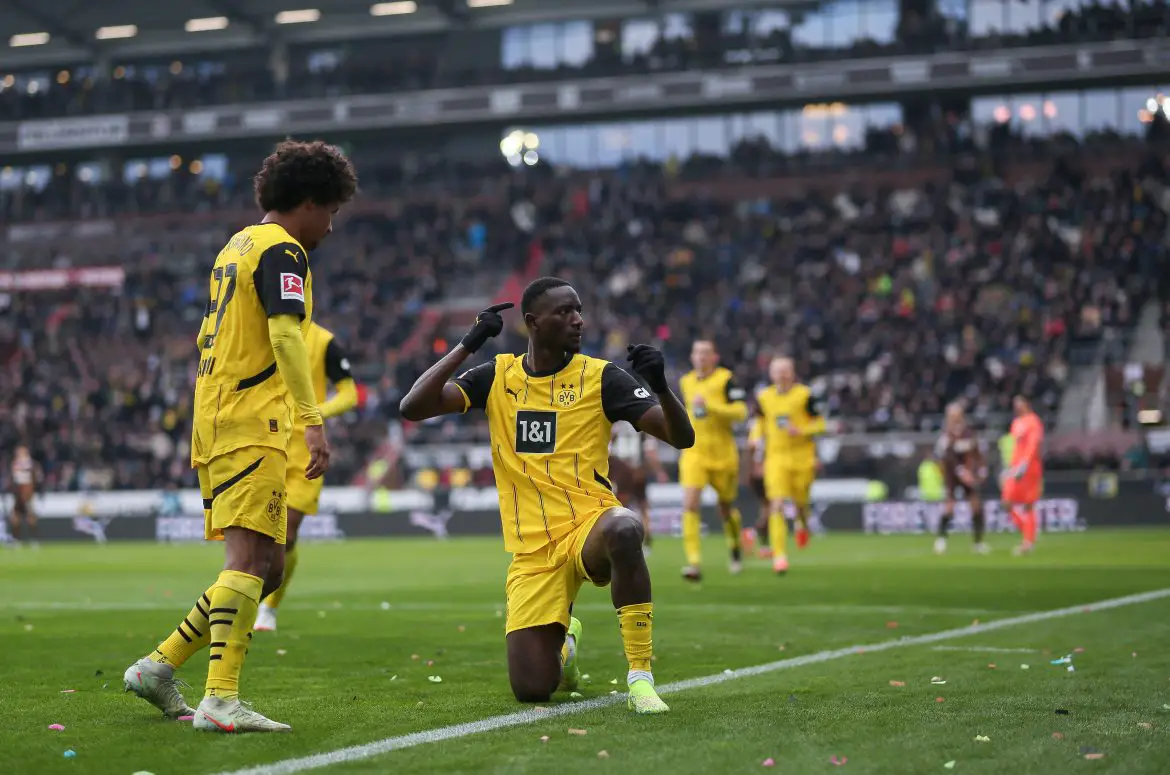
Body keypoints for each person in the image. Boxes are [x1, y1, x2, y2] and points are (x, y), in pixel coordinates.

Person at [123, 140, 357, 733]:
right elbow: (284, 338)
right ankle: (220, 699)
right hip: (252, 419)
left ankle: (159, 666)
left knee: (270, 566)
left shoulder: (237, 244)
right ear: (306, 202)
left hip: (223, 413)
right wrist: (313, 419)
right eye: (329, 211)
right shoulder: (283, 251)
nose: (330, 226)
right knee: (249, 560)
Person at [398, 277, 695, 714]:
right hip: (532, 548)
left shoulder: (601, 378)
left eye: (579, 310)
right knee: (533, 689)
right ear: (533, 323)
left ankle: (640, 676)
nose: (578, 320)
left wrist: (662, 387)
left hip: (588, 523)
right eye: (565, 312)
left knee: (626, 527)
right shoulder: (497, 376)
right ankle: (564, 642)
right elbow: (413, 406)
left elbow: (681, 436)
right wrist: (468, 343)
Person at [255, 322, 361, 632]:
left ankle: (269, 608)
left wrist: (315, 413)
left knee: (286, 535)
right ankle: (246, 598)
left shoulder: (324, 340)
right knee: (260, 535)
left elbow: (350, 393)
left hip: (305, 449)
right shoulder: (263, 330)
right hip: (263, 442)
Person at [677, 340, 748, 581]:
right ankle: (694, 563)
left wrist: (712, 406)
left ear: (714, 357)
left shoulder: (727, 379)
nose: (701, 357)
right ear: (692, 356)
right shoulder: (685, 382)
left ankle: (736, 547)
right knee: (690, 503)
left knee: (726, 508)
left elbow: (741, 412)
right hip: (694, 452)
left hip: (723, 455)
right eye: (697, 352)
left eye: (706, 353)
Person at [751, 358, 825, 574]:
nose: (782, 375)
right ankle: (780, 555)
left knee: (801, 504)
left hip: (803, 458)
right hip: (776, 458)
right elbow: (759, 423)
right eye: (777, 371)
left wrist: (801, 430)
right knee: (777, 504)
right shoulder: (764, 397)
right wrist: (755, 438)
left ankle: (802, 523)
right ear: (771, 374)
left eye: (785, 371)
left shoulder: (805, 395)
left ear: (792, 373)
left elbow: (820, 424)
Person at [932, 403, 989, 555]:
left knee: (976, 506)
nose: (953, 418)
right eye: (951, 415)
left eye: (955, 415)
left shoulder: (969, 433)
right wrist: (959, 471)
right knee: (949, 506)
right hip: (952, 476)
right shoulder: (945, 436)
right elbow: (944, 457)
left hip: (968, 474)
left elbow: (977, 453)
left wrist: (982, 469)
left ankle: (978, 543)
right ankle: (941, 540)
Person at [608, 419, 667, 553]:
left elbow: (608, 447)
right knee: (643, 506)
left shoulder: (615, 424)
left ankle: (620, 538)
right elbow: (650, 452)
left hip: (621, 471)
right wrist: (659, 471)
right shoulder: (642, 426)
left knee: (619, 507)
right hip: (638, 470)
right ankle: (646, 542)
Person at [1002, 395, 1044, 556]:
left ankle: (1028, 542)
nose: (1016, 406)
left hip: (1030, 467)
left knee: (1028, 504)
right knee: (1006, 502)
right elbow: (1016, 447)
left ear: (1027, 404)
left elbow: (1033, 443)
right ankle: (1029, 531)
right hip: (1015, 467)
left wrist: (1025, 463)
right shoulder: (1015, 423)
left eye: (1019, 403)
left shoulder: (1033, 421)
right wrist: (1011, 467)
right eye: (1014, 403)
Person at [7, 445, 41, 548]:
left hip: (27, 494)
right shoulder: (15, 464)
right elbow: (13, 480)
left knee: (30, 517)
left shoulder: (31, 464)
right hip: (18, 494)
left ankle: (33, 540)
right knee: (16, 518)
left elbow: (35, 479)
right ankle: (17, 540)